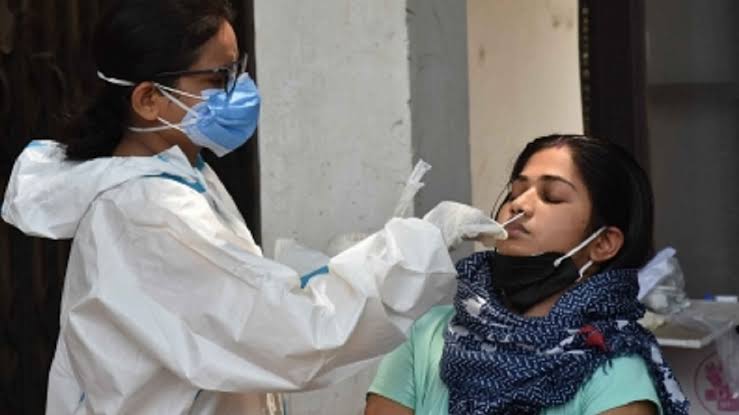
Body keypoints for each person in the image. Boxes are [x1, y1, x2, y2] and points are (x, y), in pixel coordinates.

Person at [0, 1, 506, 413]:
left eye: (238, 69)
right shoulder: (150, 212)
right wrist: (419, 245)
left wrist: (347, 263)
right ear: (150, 99)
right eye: (218, 78)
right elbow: (290, 332)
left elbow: (234, 297)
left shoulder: (180, 172)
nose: (240, 90)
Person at [365, 134, 690, 415]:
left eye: (552, 196)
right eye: (514, 192)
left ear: (603, 243)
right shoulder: (426, 336)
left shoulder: (613, 371)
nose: (519, 204)